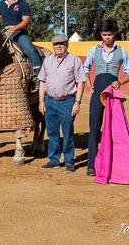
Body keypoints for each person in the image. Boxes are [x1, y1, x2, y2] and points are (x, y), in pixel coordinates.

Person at [83, 19, 129, 177]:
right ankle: (91, 164)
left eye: (110, 35)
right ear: (100, 34)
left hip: (113, 90)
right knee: (94, 127)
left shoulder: (122, 51)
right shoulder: (93, 50)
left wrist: (119, 82)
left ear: (115, 34)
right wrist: (89, 84)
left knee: (115, 127)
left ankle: (114, 162)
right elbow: (85, 67)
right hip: (98, 87)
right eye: (104, 35)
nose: (107, 38)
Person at [38, 34, 86, 172]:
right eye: (55, 44)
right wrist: (41, 101)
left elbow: (80, 82)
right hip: (50, 101)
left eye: (61, 43)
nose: (58, 46)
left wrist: (77, 102)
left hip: (67, 102)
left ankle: (69, 161)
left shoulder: (74, 60)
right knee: (52, 133)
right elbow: (42, 81)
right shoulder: (47, 61)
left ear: (67, 45)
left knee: (67, 132)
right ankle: (53, 160)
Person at [0, 0, 41, 73]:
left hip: (19, 32)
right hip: (5, 31)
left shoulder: (23, 4)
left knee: (30, 50)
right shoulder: (1, 4)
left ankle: (37, 72)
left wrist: (14, 29)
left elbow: (26, 21)